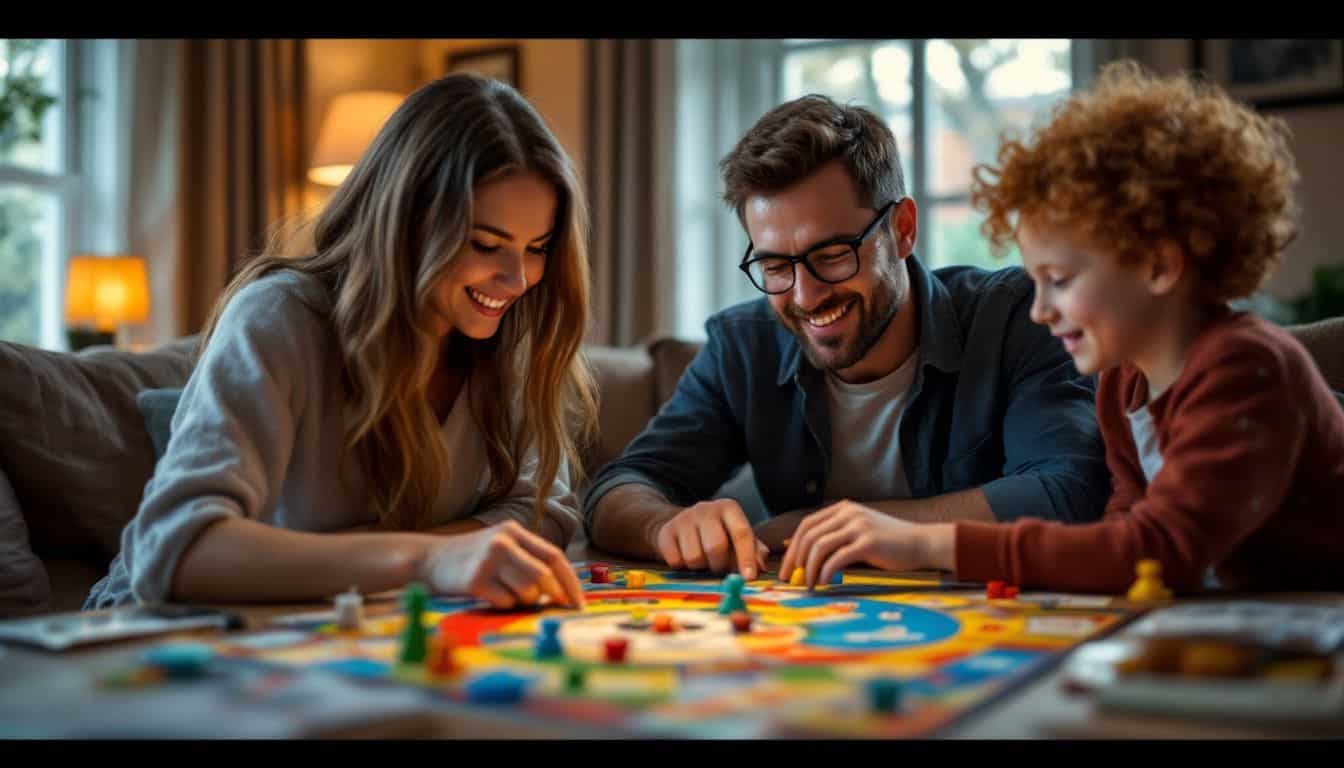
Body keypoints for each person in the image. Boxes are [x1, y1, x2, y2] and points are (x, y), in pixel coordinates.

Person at [780, 61, 1344, 593]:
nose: (1040, 310)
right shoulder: (1125, 381)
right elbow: (1121, 529)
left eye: (1061, 279)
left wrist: (929, 543)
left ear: (1158, 264)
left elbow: (1156, 550)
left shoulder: (1245, 367)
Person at [87, 73, 597, 610]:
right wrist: (428, 561)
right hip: (150, 637)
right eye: (485, 244)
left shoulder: (501, 334)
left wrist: (435, 558)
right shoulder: (279, 317)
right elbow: (176, 549)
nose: (518, 280)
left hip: (342, 632)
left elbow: (542, 513)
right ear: (405, 222)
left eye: (537, 248)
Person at [582, 93, 1109, 581]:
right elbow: (618, 490)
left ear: (902, 229)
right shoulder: (744, 346)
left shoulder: (1016, 316)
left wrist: (845, 526)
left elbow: (1069, 489)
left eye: (832, 255)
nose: (806, 295)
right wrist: (664, 526)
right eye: (775, 266)